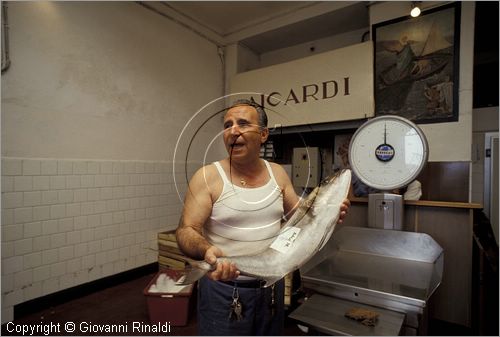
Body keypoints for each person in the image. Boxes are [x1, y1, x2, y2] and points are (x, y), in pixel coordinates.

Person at [176, 99, 350, 335]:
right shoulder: (207, 177)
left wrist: (328, 216)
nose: (233, 131)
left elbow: (300, 218)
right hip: (224, 290)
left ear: (263, 134)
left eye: (243, 123)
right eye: (228, 125)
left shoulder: (277, 174)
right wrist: (206, 251)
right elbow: (187, 230)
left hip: (271, 289)